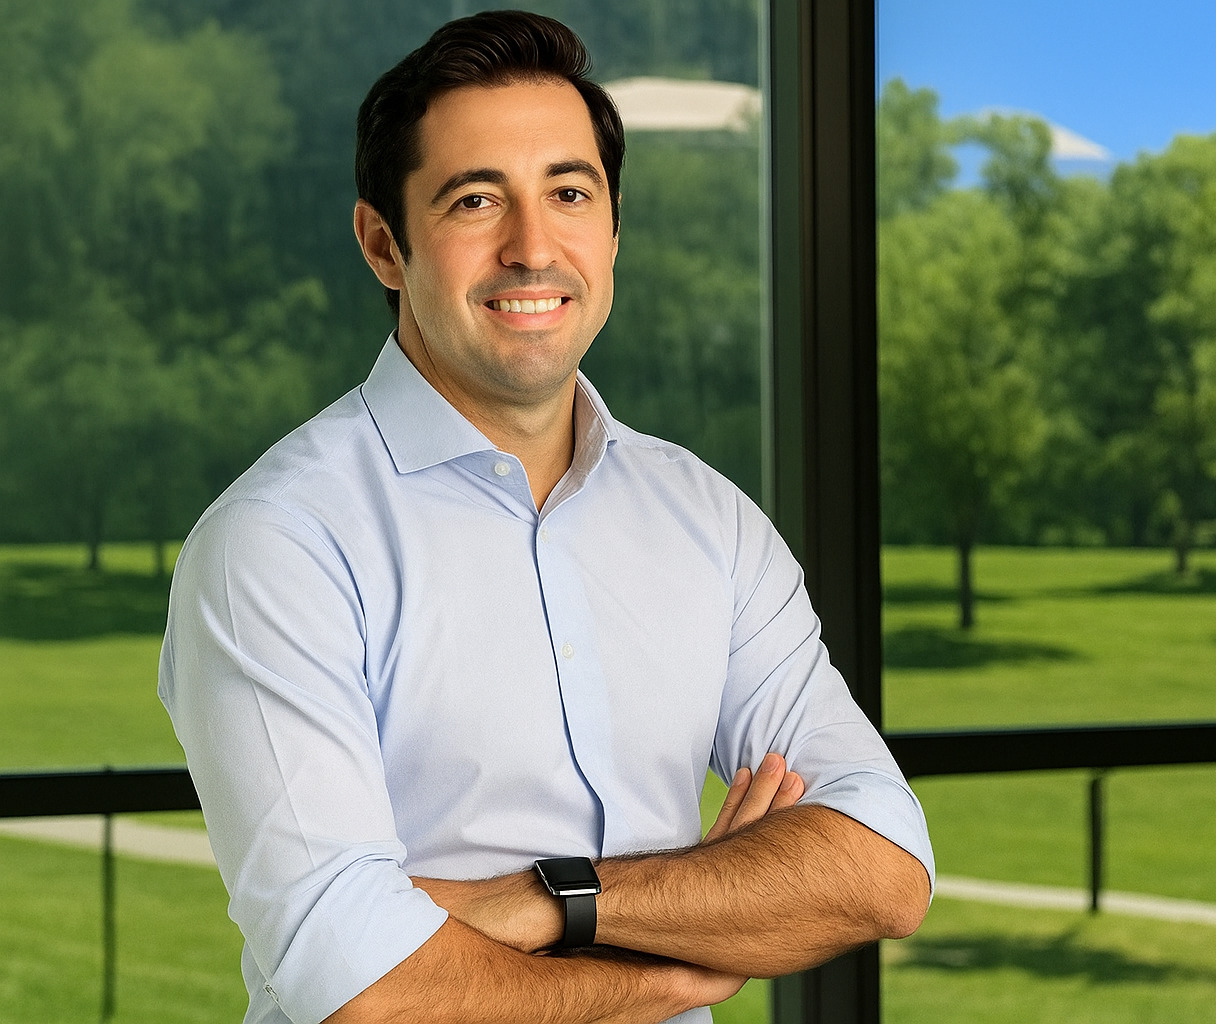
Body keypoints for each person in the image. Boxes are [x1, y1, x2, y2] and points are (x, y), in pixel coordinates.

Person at [158, 10, 934, 1024]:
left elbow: (884, 864)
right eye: (476, 200)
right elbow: (367, 990)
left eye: (569, 193)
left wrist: (549, 901)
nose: (532, 247)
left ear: (612, 229)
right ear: (384, 245)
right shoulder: (278, 542)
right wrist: (675, 961)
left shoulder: (710, 522)